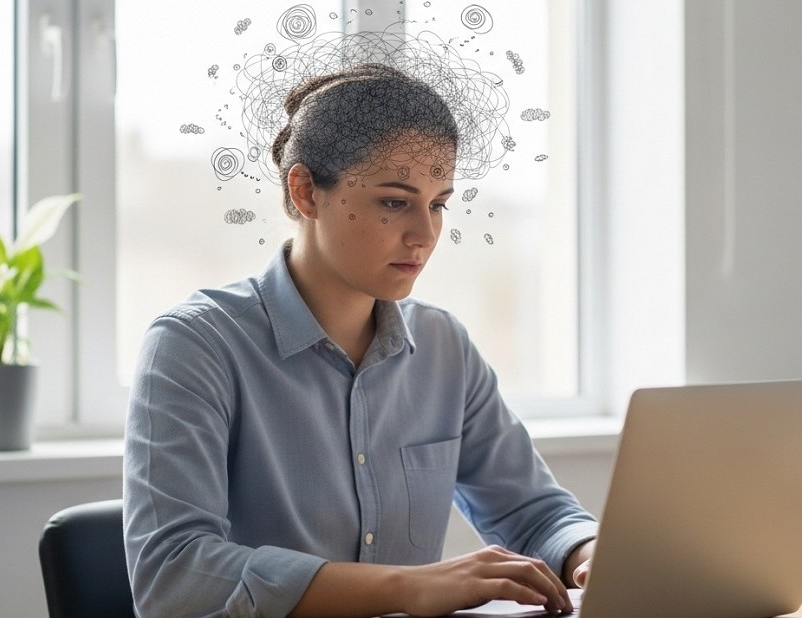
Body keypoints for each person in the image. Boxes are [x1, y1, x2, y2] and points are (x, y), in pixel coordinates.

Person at [123, 63, 598, 618]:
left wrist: (591, 552)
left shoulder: (444, 346)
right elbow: (174, 576)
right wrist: (408, 586)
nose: (423, 234)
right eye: (394, 201)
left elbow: (535, 514)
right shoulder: (194, 346)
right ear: (304, 192)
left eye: (438, 203)